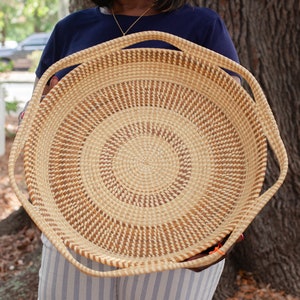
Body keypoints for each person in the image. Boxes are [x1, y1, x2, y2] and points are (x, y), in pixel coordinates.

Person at [21, 1, 243, 299]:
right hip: (76, 217)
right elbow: (36, 108)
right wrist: (36, 113)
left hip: (175, 222)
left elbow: (234, 123)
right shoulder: (71, 29)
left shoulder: (202, 26)